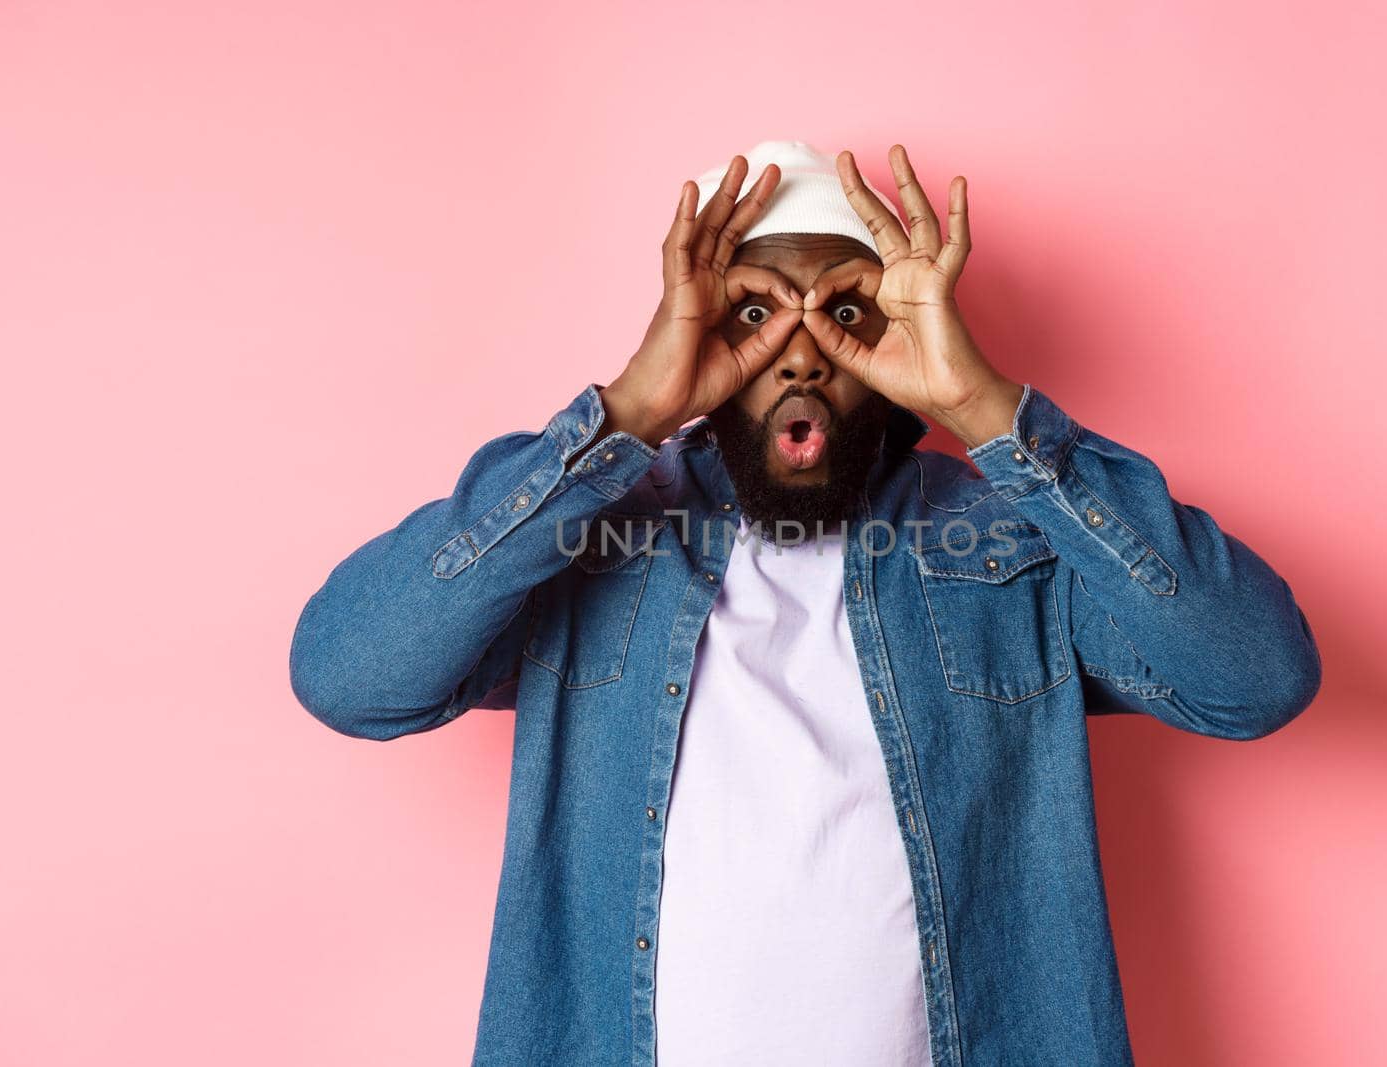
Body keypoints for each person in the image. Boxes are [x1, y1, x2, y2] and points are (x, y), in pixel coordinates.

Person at [289, 139, 1323, 1067]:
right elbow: (350, 673)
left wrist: (984, 408)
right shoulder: (594, 537)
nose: (798, 350)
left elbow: (1256, 676)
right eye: (752, 311)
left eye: (844, 313)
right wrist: (625, 416)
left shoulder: (1010, 546)